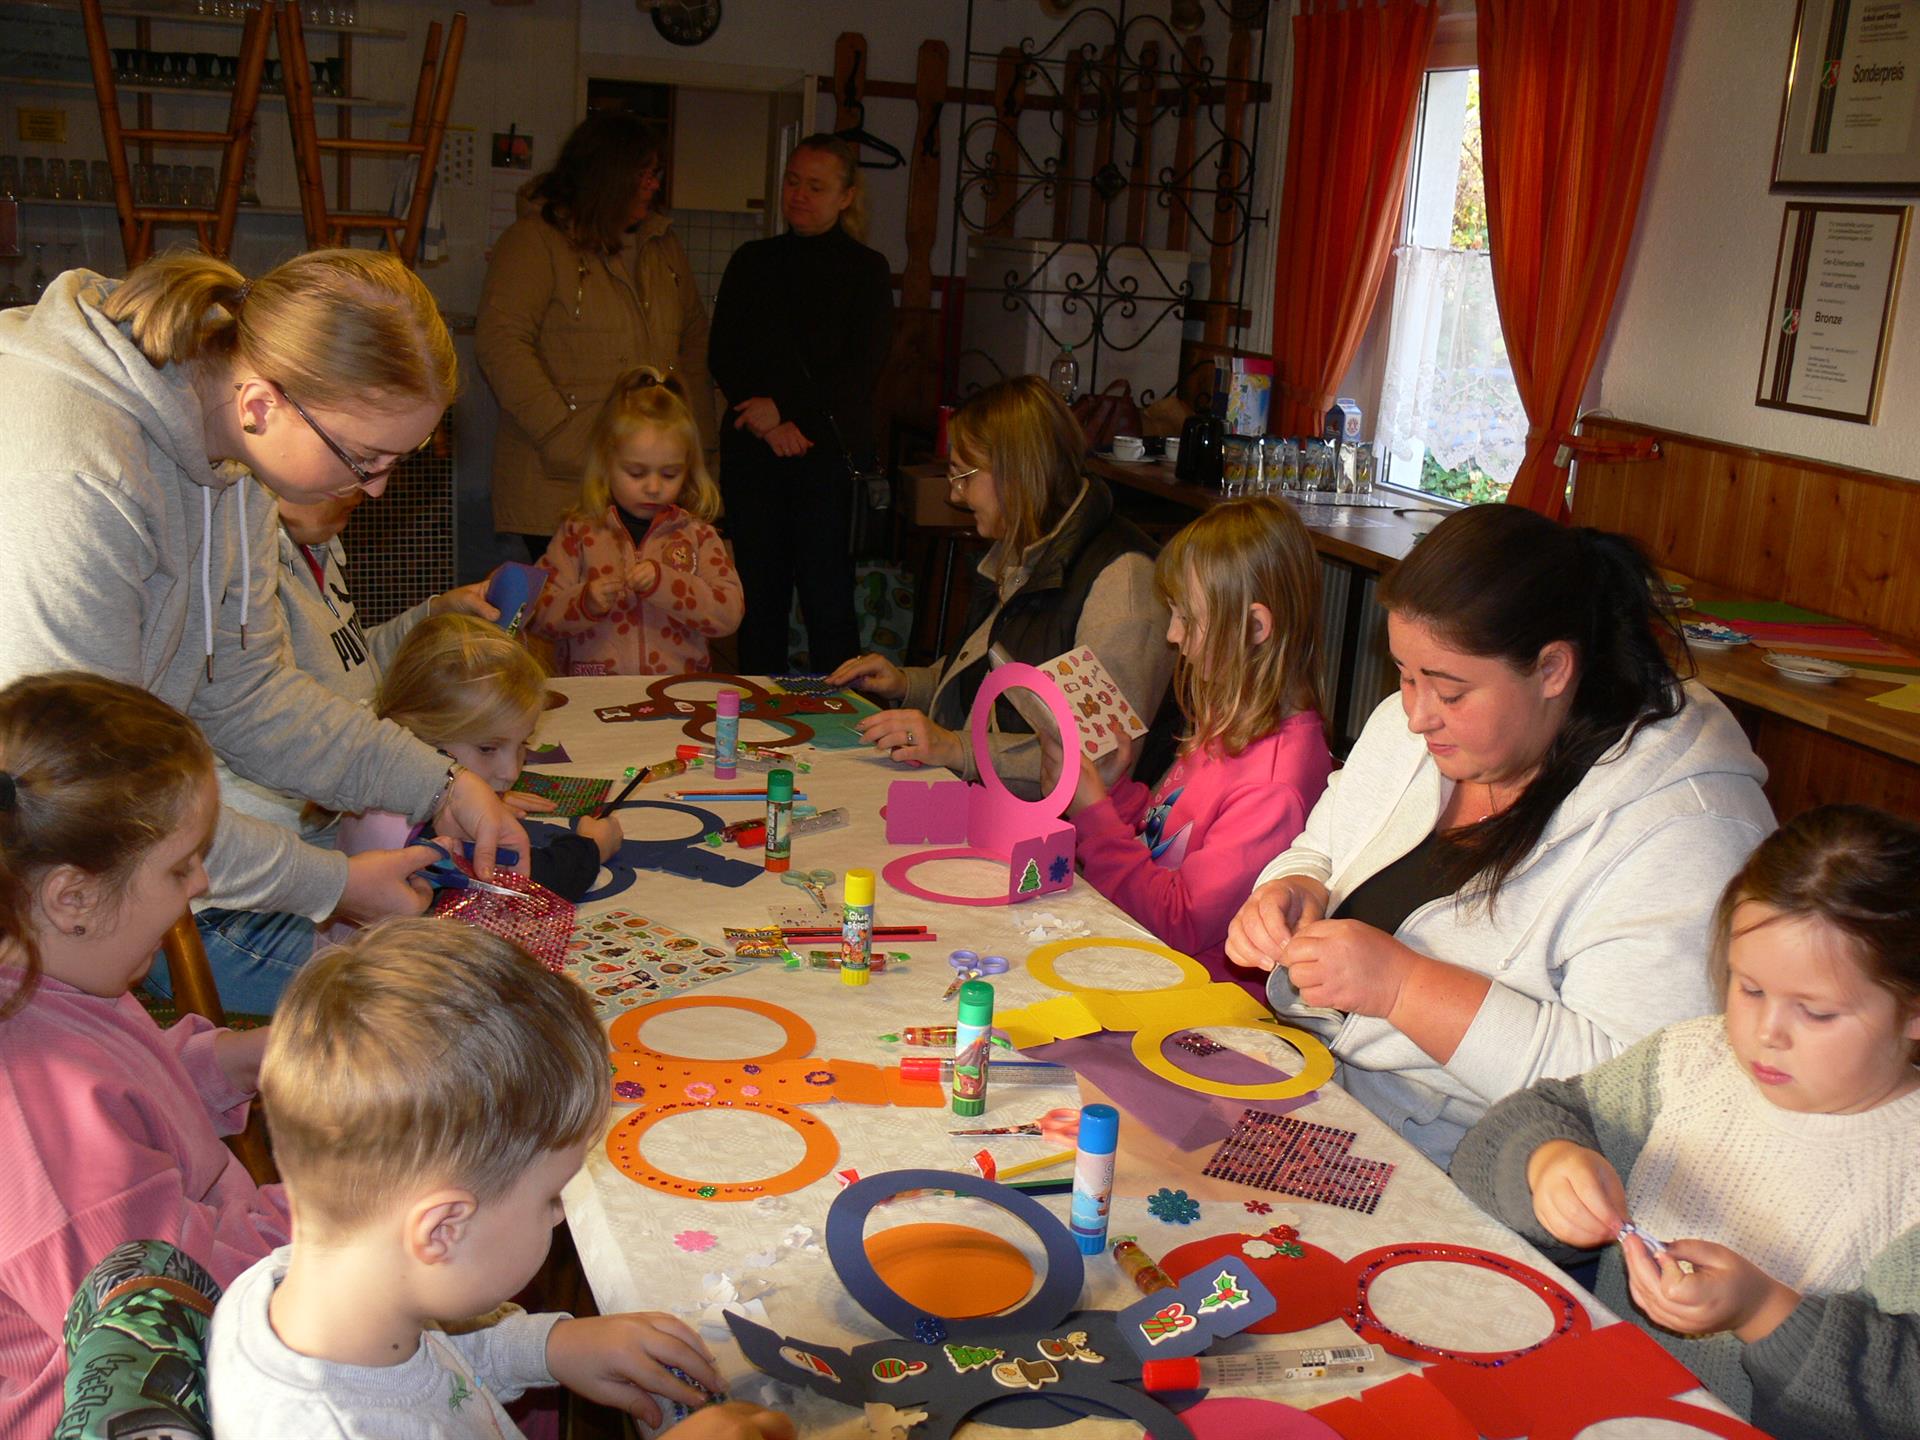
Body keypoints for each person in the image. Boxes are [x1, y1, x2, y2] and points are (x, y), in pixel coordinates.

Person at [0, 248, 527, 940]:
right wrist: (330, 884)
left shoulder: (234, 445)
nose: (375, 490)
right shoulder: (79, 479)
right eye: (365, 460)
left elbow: (248, 692)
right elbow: (88, 786)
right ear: (260, 405)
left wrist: (442, 783)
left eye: (398, 461)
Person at [1225, 503, 1775, 1165]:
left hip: (1469, 1178)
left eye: (1450, 692)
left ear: (1552, 671)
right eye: (1403, 675)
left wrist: (1405, 988)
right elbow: (1324, 844)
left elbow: (1632, 1097)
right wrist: (1292, 886)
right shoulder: (1426, 723)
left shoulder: (1686, 832)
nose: (1415, 714)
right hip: (1327, 1097)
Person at [207, 917, 793, 1440]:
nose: (560, 1215)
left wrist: (544, 1347)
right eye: (549, 1198)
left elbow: (432, 1364)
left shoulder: (291, 1287)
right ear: (441, 1229)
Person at [1452, 806, 1920, 1440]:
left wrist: (1764, 1312)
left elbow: (1902, 1399)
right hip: (1593, 1403)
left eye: (1815, 1012)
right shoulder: (1692, 1062)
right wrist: (1551, 1164)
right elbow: (1504, 1136)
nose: (1765, 1033)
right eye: (1748, 988)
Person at [0, 673, 289, 1436]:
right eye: (179, 866)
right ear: (74, 897)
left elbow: (128, 1078)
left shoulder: (51, 971)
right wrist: (338, 1210)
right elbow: (180, 1312)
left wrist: (234, 1059)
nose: (201, 882)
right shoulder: (36, 1113)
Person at [177, 488, 504, 1014]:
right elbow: (283, 710)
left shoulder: (316, 542)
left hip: (302, 869)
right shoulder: (242, 565)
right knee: (450, 985)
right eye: (358, 461)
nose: (373, 487)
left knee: (478, 922)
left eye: (389, 467)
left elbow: (346, 673)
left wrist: (428, 618)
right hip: (224, 909)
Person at [828, 375, 1173, 798]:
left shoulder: (1122, 584)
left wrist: (957, 748)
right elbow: (997, 670)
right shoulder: (1034, 546)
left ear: (1015, 473)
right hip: (1003, 806)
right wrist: (907, 683)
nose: (955, 496)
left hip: (1075, 846)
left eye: (963, 476)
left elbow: (1098, 757)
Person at [1042, 499, 1333, 990]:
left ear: (1256, 628)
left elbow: (1180, 921)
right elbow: (1167, 844)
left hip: (1192, 1000)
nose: (1174, 636)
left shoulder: (1274, 784)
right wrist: (1116, 796)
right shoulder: (1235, 723)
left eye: (1188, 619)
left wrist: (1093, 815)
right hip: (1145, 956)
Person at [478, 110, 714, 556]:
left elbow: (694, 339)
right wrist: (561, 434)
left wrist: (696, 446)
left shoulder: (662, 244)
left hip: (647, 480)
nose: (653, 185)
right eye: (642, 174)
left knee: (642, 615)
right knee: (572, 616)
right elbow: (500, 344)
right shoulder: (535, 241)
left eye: (655, 173)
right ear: (607, 176)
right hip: (562, 484)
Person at [709, 133, 893, 674]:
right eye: (793, 181)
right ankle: (751, 722)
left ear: (845, 196)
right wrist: (767, 423)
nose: (799, 195)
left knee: (828, 601)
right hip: (754, 454)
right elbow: (724, 352)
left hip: (825, 459)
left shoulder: (867, 269)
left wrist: (788, 414)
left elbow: (861, 369)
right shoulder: (752, 260)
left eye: (816, 186)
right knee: (758, 601)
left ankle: (846, 723)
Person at [338, 615, 623, 903]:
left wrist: (479, 799)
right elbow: (526, 883)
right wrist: (591, 847)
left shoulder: (376, 780)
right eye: (487, 749)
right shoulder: (431, 827)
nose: (511, 772)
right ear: (420, 736)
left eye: (522, 744)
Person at [527, 367, 742, 675]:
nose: (653, 487)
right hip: (594, 698)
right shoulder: (579, 533)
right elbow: (537, 612)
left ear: (689, 469)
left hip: (676, 696)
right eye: (636, 473)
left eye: (670, 474)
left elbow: (729, 613)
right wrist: (585, 601)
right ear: (606, 463)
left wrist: (666, 584)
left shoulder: (698, 535)